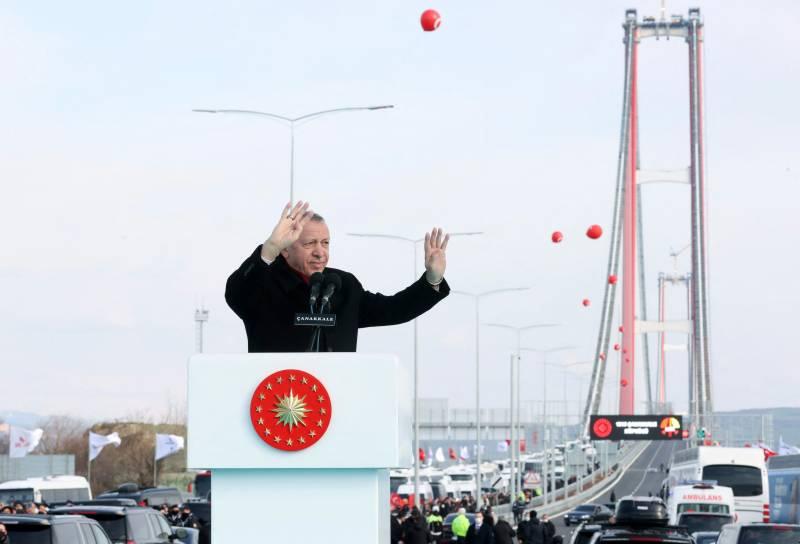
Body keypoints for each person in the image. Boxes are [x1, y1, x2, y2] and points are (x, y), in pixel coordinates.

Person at [226, 201, 451, 352]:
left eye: (325, 243)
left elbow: (394, 309)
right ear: (286, 249)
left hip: (334, 408)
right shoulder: (264, 283)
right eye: (309, 243)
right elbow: (237, 294)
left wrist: (432, 280)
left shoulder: (343, 286)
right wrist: (270, 248)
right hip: (277, 409)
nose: (319, 252)